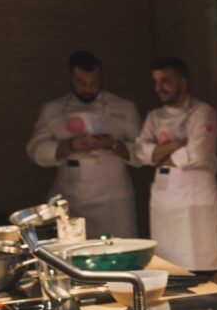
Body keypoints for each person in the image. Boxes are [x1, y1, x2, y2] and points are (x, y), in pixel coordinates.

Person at [26, 50, 140, 238]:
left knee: (118, 248)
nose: (88, 88)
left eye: (94, 83)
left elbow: (142, 153)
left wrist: (113, 145)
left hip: (114, 202)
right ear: (71, 78)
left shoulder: (124, 108)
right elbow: (35, 150)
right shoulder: (53, 110)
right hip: (71, 198)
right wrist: (69, 146)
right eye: (82, 83)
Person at [134, 57, 217, 275]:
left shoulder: (202, 112)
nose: (159, 88)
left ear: (183, 82)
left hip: (195, 199)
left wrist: (158, 153)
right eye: (156, 82)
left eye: (165, 81)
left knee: (200, 268)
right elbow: (141, 153)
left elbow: (198, 154)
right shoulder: (154, 117)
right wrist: (176, 144)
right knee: (168, 267)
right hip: (164, 200)